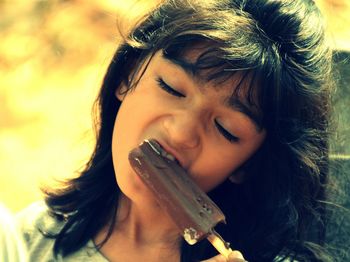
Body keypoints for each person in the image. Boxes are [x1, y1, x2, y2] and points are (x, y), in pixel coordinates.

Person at [16, 0, 335, 261]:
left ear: (249, 163)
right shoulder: (29, 242)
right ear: (128, 75)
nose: (182, 132)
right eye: (171, 88)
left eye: (226, 129)